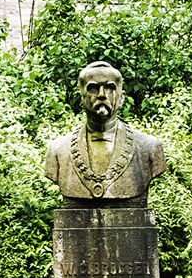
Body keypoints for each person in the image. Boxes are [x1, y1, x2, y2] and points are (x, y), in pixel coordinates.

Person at [42, 61, 166, 204]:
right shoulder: (57, 150)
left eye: (109, 88)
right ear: (81, 97)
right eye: (93, 89)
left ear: (122, 98)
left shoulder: (149, 148)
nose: (101, 95)